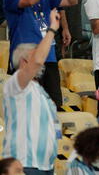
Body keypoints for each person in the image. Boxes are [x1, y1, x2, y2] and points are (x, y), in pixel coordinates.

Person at [4, 0, 77, 107]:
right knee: (27, 107)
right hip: (25, 60)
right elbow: (30, 0)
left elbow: (71, 1)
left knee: (53, 107)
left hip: (49, 58)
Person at [1, 10, 60, 174]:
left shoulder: (40, 91)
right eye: (35, 55)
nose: (41, 60)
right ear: (23, 61)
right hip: (24, 163)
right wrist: (52, 29)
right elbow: (38, 60)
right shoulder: (15, 83)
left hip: (46, 165)